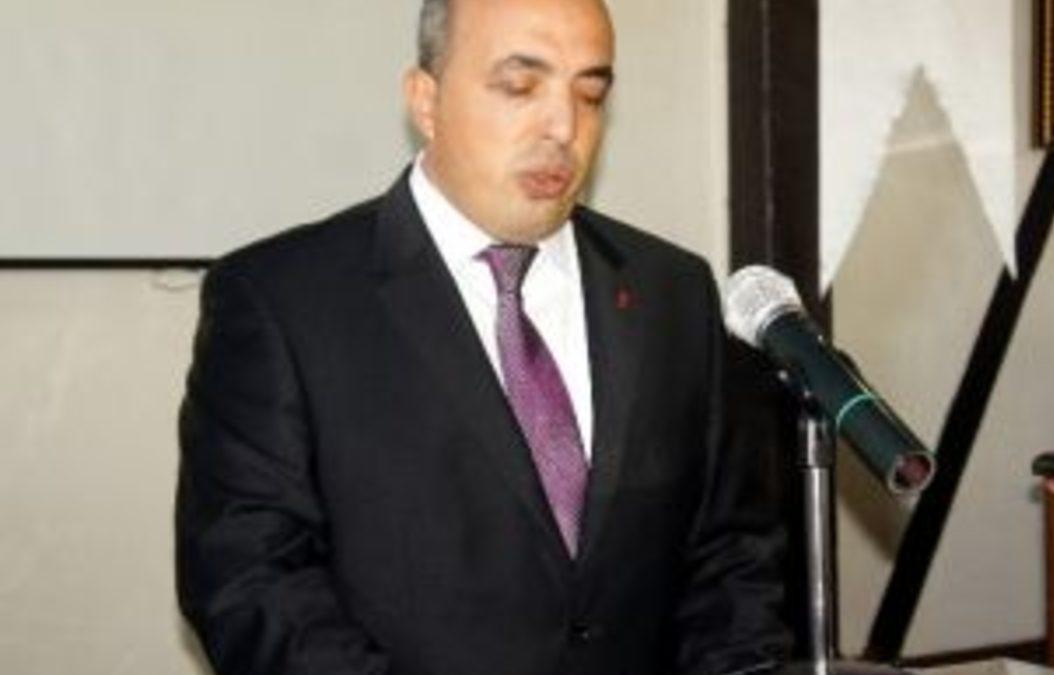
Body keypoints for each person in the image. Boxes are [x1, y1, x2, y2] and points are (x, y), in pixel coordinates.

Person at [175, 0, 794, 673]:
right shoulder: (283, 301)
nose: (564, 127)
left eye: (590, 94)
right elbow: (251, 584)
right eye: (520, 87)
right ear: (426, 100)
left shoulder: (673, 293)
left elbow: (731, 564)